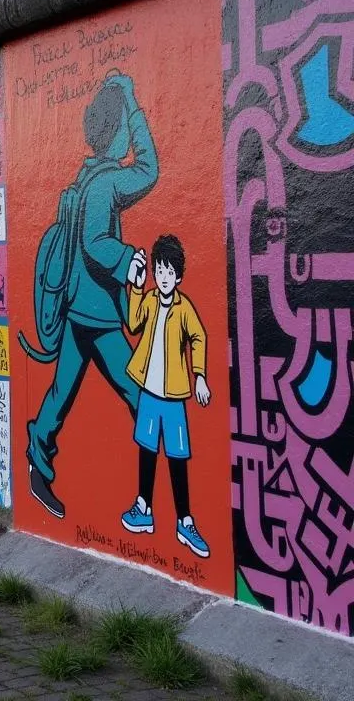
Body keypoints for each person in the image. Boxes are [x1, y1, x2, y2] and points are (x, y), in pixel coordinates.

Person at [23, 71, 158, 519]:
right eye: (126, 126)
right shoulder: (107, 183)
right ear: (119, 133)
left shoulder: (85, 180)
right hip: (96, 314)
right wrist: (129, 259)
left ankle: (38, 458)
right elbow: (99, 238)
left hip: (77, 308)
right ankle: (154, 484)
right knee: (138, 392)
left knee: (63, 391)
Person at [121, 235, 211, 559]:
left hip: (173, 396)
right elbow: (132, 324)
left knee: (176, 457)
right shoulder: (148, 300)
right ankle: (143, 508)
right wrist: (133, 286)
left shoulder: (184, 308)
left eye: (169, 272)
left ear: (179, 276)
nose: (163, 277)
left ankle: (185, 521)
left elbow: (199, 337)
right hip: (149, 392)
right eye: (159, 270)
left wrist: (199, 376)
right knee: (146, 450)